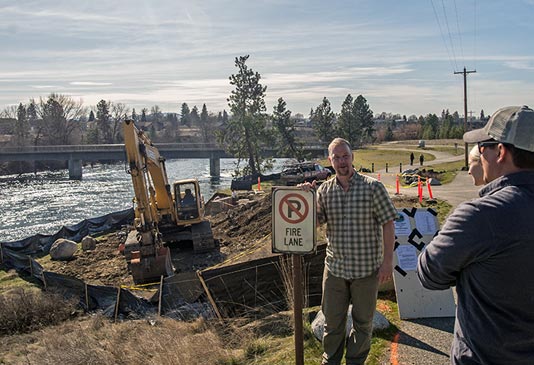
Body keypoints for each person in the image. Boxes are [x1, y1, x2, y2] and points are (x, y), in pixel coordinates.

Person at [417, 105, 534, 364]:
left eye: (482, 149)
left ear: (501, 152)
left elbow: (429, 273)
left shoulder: (480, 215)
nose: (479, 157)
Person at [301, 137, 397, 365]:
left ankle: (355, 361)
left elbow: (388, 223)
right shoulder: (324, 191)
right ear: (330, 161)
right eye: (337, 157)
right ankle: (330, 360)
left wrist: (387, 262)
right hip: (335, 270)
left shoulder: (373, 187)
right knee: (332, 323)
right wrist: (305, 197)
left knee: (363, 323)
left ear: (352, 157)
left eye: (345, 156)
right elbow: (313, 223)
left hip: (366, 271)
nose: (342, 161)